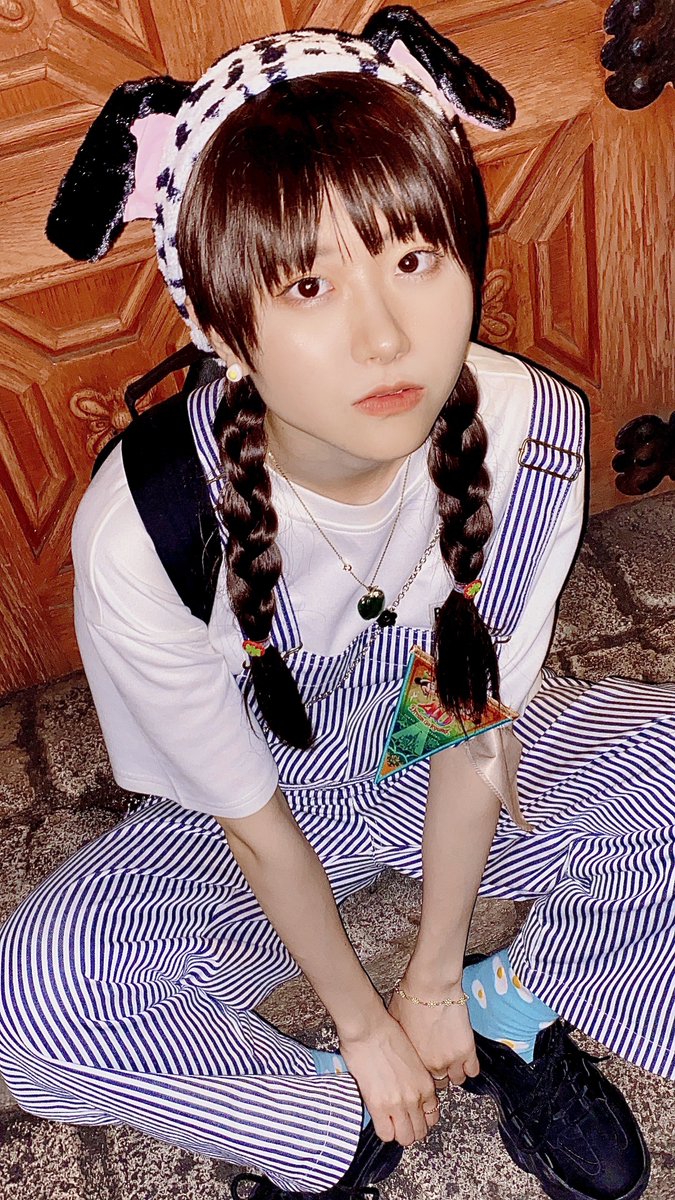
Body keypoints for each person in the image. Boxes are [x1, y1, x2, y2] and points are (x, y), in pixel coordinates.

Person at [0, 8, 673, 1200]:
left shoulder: (527, 432)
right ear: (221, 325)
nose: (385, 337)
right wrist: (364, 1027)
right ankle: (333, 1120)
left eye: (413, 259)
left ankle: (508, 999)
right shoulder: (144, 528)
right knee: (44, 991)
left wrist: (432, 977)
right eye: (309, 283)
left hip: (428, 736)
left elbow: (470, 727)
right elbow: (254, 826)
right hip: (251, 799)